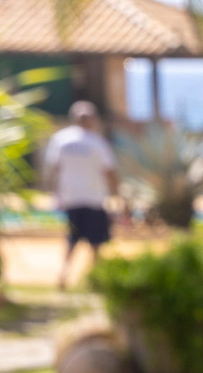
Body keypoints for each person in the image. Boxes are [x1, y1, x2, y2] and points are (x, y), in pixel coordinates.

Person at [44, 101, 119, 291]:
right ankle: (96, 279)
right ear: (92, 120)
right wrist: (117, 194)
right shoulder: (97, 142)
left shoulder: (60, 139)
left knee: (72, 239)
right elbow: (109, 171)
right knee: (96, 242)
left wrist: (54, 193)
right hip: (94, 197)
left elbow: (54, 169)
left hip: (71, 197)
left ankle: (64, 274)